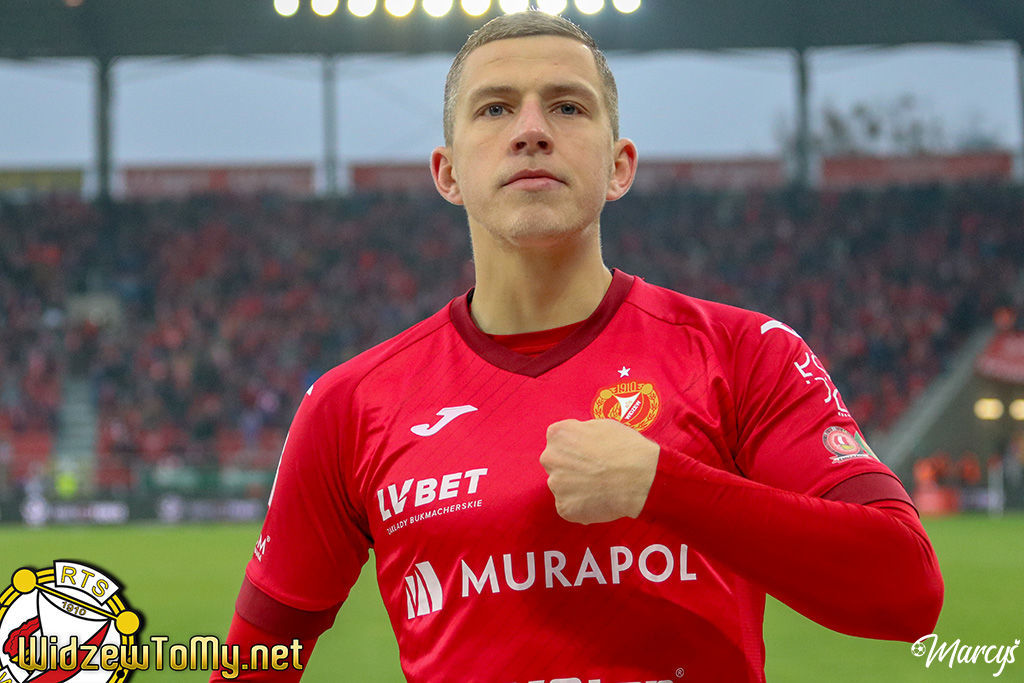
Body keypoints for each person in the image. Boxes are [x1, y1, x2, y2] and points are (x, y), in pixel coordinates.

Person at [212, 11, 942, 682]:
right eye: (495, 109)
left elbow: (906, 589)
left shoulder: (744, 353)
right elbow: (254, 662)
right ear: (448, 173)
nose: (531, 130)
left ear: (619, 166)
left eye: (567, 106)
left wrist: (664, 485)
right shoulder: (350, 404)